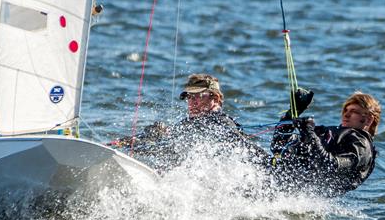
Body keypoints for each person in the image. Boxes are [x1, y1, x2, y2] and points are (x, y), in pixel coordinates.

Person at [111, 74, 270, 172]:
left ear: (214, 98)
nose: (191, 102)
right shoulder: (188, 123)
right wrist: (131, 143)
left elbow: (244, 148)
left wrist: (269, 163)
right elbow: (170, 146)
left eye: (198, 96)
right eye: (189, 97)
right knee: (156, 131)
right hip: (186, 174)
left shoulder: (222, 123)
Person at [270, 91, 381, 196]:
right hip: (280, 177)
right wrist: (293, 112)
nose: (346, 115)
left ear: (368, 120)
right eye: (346, 110)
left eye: (354, 112)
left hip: (294, 189)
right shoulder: (329, 133)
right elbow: (279, 145)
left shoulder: (361, 147)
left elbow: (329, 165)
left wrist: (310, 134)